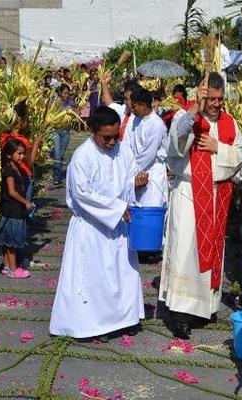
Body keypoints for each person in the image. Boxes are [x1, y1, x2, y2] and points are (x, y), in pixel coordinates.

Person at [159, 72, 242, 339]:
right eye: (212, 99)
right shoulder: (186, 117)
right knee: (186, 253)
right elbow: (175, 144)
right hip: (188, 194)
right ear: (203, 95)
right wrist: (195, 108)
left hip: (218, 194)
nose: (217, 104)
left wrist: (217, 146)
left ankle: (203, 309)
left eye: (220, 99)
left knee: (210, 252)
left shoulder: (230, 124)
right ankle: (180, 315)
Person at [49, 106, 147, 342]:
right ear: (92, 132)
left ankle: (125, 320)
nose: (112, 142)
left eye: (116, 136)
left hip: (118, 226)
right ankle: (96, 325)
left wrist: (138, 182)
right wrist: (116, 209)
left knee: (122, 274)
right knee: (96, 279)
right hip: (93, 227)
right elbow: (82, 194)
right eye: (107, 138)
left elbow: (129, 177)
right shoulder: (83, 156)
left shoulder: (123, 151)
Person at [0, 139, 32, 279]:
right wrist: (25, 202)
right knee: (11, 242)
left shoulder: (17, 168)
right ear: (10, 155)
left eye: (23, 153)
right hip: (12, 209)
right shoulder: (9, 170)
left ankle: (6, 266)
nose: (22, 156)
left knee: (7, 241)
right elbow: (11, 191)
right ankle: (13, 268)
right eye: (19, 153)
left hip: (14, 209)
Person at [128, 87, 168, 207]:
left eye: (134, 106)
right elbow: (129, 143)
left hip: (152, 173)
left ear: (143, 105)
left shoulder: (157, 125)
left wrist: (132, 172)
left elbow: (148, 155)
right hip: (136, 171)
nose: (132, 109)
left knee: (150, 208)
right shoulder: (135, 119)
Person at [101, 71, 140, 140]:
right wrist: (104, 84)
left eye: (126, 99)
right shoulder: (125, 110)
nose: (124, 101)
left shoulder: (143, 118)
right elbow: (110, 104)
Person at [51, 84, 75, 186]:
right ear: (60, 93)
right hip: (56, 131)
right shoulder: (55, 103)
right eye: (65, 93)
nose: (66, 95)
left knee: (61, 154)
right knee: (56, 153)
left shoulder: (70, 103)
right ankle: (56, 176)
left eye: (68, 93)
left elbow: (75, 114)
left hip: (66, 131)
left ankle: (59, 173)